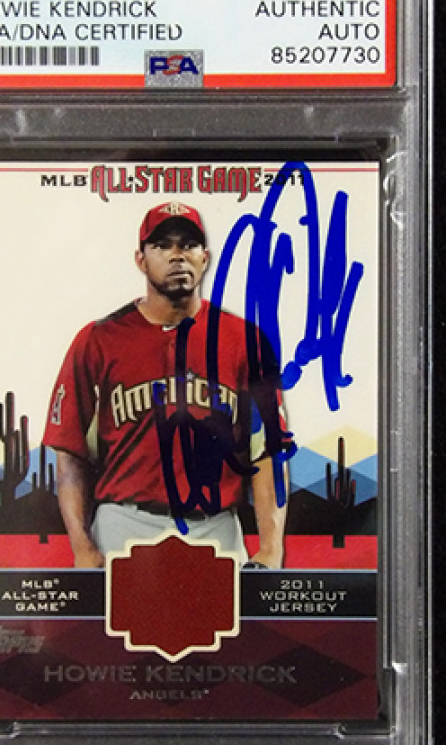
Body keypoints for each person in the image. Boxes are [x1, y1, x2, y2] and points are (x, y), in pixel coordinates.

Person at [43, 201, 289, 569]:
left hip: (215, 525)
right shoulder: (98, 340)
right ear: (140, 260)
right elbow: (70, 453)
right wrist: (82, 547)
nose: (177, 255)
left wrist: (270, 549)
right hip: (124, 523)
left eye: (188, 245)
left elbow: (268, 451)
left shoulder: (244, 341)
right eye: (162, 245)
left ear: (205, 258)